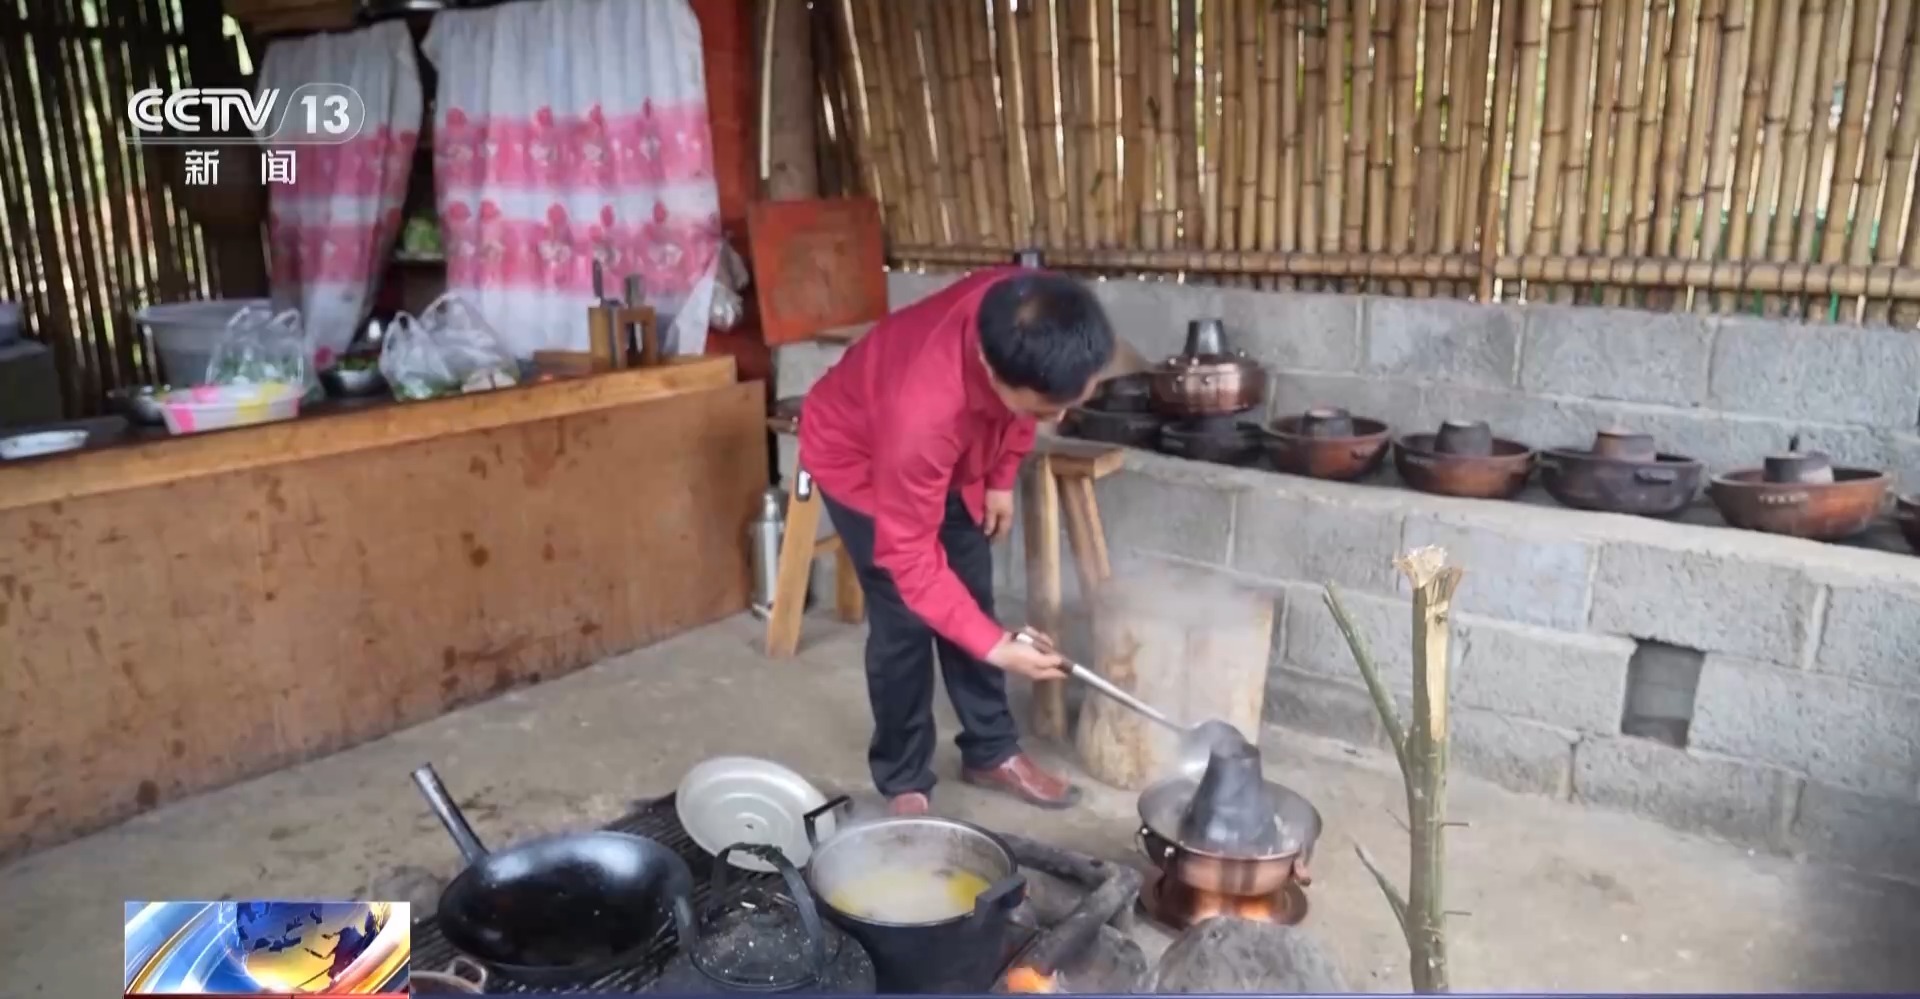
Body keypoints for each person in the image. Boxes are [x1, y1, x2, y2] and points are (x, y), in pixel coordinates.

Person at [799, 267, 1116, 817]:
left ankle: (990, 751)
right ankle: (904, 779)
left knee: (972, 596)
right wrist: (995, 647)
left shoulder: (1031, 308)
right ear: (991, 372)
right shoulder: (922, 413)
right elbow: (910, 556)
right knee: (904, 621)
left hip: (954, 456)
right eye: (1044, 412)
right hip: (863, 459)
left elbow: (1025, 406)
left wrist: (1000, 477)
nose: (1058, 418)